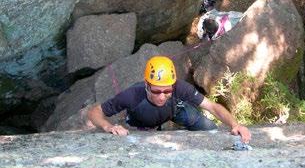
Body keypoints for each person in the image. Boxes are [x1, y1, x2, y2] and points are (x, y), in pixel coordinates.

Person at [88, 56, 251, 143]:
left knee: (210, 129)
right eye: (156, 91)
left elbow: (212, 107)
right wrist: (108, 127)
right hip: (142, 119)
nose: (161, 96)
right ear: (146, 85)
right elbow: (95, 112)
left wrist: (235, 125)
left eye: (167, 91)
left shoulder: (180, 88)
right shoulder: (132, 96)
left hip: (175, 110)